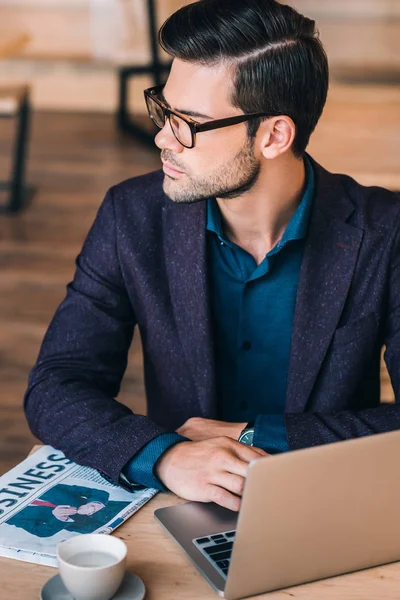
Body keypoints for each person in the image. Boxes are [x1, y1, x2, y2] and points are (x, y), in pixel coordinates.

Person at [24, 0, 400, 513]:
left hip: (327, 506)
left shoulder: (386, 231)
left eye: (189, 123)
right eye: (164, 109)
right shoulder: (131, 215)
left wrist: (255, 434)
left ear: (274, 135)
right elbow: (56, 384)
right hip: (180, 505)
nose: (162, 138)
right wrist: (164, 456)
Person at [7, 485, 130, 538]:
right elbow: (40, 531)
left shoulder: (41, 486)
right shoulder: (11, 515)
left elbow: (97, 493)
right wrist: (58, 518)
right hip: (88, 527)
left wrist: (94, 504)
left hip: (113, 508)